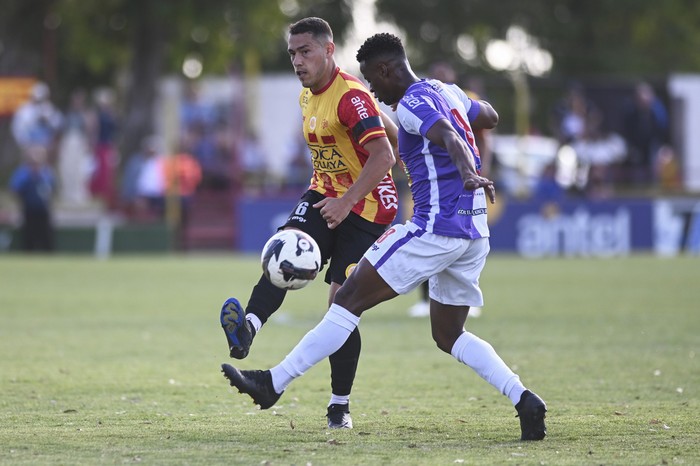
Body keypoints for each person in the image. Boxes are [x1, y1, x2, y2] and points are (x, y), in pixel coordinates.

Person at [221, 32, 547, 441]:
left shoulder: (411, 101)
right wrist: (458, 128)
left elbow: (445, 133)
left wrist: (467, 172)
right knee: (449, 335)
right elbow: (491, 116)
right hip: (473, 232)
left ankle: (273, 384)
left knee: (345, 300)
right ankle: (524, 399)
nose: (374, 91)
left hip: (434, 227)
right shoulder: (444, 90)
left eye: (375, 82)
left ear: (387, 70)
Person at [219, 17, 400, 429]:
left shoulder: (350, 97)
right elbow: (390, 135)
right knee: (283, 251)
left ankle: (340, 405)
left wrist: (348, 200)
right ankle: (246, 329)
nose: (297, 61)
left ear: (328, 49)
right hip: (324, 193)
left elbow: (385, 157)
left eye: (305, 52)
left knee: (340, 304)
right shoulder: (308, 95)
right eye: (292, 54)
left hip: (369, 207)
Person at [9, 145, 56, 251]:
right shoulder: (22, 173)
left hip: (43, 210)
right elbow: (15, 188)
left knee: (46, 237)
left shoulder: (47, 172)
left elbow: (52, 188)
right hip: (29, 209)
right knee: (28, 237)